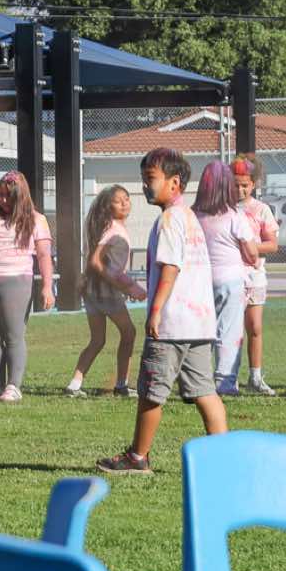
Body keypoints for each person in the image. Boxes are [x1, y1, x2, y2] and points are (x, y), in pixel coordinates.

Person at [97, 148, 228, 474]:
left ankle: (138, 457)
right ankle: (224, 459)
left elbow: (170, 268)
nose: (145, 185)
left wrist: (155, 311)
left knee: (151, 392)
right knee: (205, 392)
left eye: (150, 179)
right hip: (199, 325)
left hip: (171, 325)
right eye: (143, 179)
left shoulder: (169, 220)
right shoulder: (190, 218)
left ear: (174, 183)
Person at [0, 170, 54, 402]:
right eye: (1, 195)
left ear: (20, 197)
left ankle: (14, 386)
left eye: (9, 196)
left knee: (13, 336)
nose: (3, 200)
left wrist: (47, 286)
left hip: (16, 281)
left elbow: (44, 255)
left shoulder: (36, 220)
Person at [194, 161, 263, 397]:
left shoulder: (193, 215)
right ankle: (225, 381)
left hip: (200, 280)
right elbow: (251, 252)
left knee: (202, 331)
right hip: (230, 281)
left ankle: (198, 379)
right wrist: (251, 259)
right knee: (229, 331)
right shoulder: (234, 216)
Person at [66, 184, 142, 397]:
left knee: (98, 340)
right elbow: (96, 261)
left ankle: (75, 384)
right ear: (108, 207)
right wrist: (127, 286)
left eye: (126, 198)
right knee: (129, 332)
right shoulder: (113, 230)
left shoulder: (109, 227)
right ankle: (121, 385)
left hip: (94, 292)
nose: (124, 203)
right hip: (106, 293)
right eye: (118, 201)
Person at [232, 154, 280, 396]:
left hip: (255, 276)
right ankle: (228, 377)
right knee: (231, 330)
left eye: (245, 185)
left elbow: (272, 244)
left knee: (255, 327)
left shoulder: (261, 210)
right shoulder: (224, 210)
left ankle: (255, 377)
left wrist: (249, 247)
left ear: (253, 184)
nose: (240, 189)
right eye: (236, 184)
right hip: (230, 277)